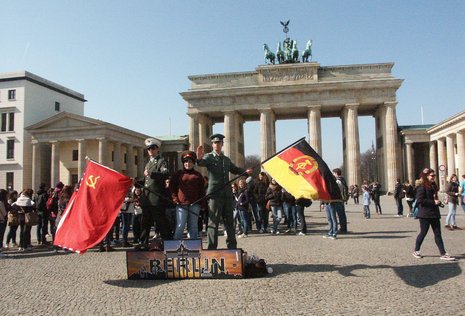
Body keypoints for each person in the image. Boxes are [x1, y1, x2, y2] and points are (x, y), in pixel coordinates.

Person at [196, 133, 252, 250]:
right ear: (212, 144)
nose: (217, 144)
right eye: (215, 142)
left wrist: (246, 172)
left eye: (219, 142)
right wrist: (199, 158)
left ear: (222, 144)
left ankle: (232, 247)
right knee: (213, 223)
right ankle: (212, 248)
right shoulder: (209, 157)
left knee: (229, 223)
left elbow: (235, 169)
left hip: (226, 195)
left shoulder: (226, 159)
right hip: (215, 195)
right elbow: (200, 163)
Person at [412, 168, 456, 261]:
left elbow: (434, 198)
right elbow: (420, 201)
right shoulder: (421, 187)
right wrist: (433, 202)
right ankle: (416, 250)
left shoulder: (433, 186)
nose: (433, 177)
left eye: (434, 176)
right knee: (423, 233)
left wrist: (439, 203)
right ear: (426, 176)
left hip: (434, 213)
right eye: (432, 176)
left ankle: (443, 253)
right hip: (425, 214)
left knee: (438, 234)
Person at [137, 137, 173, 250]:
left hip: (157, 198)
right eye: (149, 149)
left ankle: (168, 242)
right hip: (147, 198)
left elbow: (165, 174)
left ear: (157, 149)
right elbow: (147, 182)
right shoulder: (148, 163)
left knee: (161, 222)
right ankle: (143, 243)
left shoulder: (161, 161)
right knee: (145, 223)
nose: (150, 150)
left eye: (153, 148)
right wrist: (137, 182)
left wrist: (151, 173)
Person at [170, 150, 205, 240]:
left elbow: (202, 190)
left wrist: (202, 203)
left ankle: (194, 247)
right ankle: (174, 246)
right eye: (185, 161)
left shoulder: (198, 175)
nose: (187, 163)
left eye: (190, 161)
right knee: (180, 225)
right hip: (181, 205)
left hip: (195, 204)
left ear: (193, 163)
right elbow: (172, 188)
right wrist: (175, 199)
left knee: (193, 227)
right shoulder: (178, 174)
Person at [333, 168, 349, 233]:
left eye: (333, 173)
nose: (333, 174)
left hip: (338, 199)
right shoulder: (343, 180)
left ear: (336, 173)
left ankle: (342, 229)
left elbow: (336, 190)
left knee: (340, 214)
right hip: (342, 199)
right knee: (342, 214)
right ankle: (344, 228)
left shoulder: (338, 181)